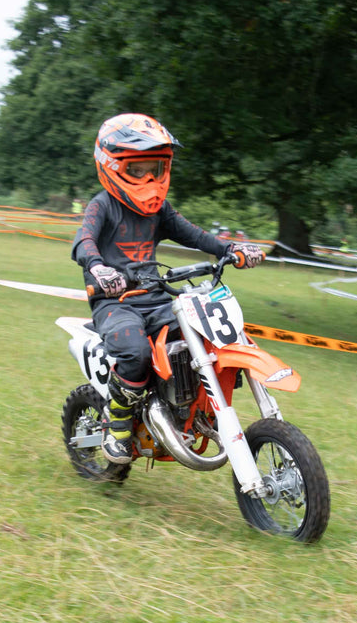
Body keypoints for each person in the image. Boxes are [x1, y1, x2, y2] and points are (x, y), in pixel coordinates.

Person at [72, 113, 264, 464]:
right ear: (110, 165)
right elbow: (82, 242)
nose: (149, 179)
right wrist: (98, 267)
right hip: (115, 304)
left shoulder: (159, 210)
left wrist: (231, 249)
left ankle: (190, 409)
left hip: (158, 299)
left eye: (156, 169)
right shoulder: (102, 205)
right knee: (135, 353)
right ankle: (117, 427)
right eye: (138, 169)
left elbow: (195, 235)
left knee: (206, 336)